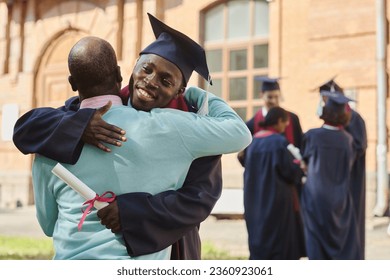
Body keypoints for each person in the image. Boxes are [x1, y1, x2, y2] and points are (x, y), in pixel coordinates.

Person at [13, 13, 227, 259]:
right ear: (129, 70)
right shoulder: (110, 105)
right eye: (146, 69)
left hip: (168, 238)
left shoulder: (191, 127)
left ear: (180, 89)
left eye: (165, 80)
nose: (150, 82)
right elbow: (30, 126)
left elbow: (199, 200)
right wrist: (80, 126)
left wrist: (131, 212)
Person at [300, 91, 361, 259]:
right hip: (340, 199)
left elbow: (303, 162)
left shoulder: (312, 136)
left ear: (325, 112)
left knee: (316, 243)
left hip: (316, 198)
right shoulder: (347, 140)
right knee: (341, 244)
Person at [243, 106, 305, 260]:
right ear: (278, 121)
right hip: (276, 202)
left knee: (260, 241)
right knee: (280, 245)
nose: (285, 127)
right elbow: (290, 172)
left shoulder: (253, 142)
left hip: (255, 203)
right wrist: (299, 167)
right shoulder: (278, 142)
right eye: (285, 123)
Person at [317, 78, 367, 259]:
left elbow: (358, 147)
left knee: (351, 220)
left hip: (349, 177)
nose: (322, 103)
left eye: (324, 98)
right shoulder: (331, 118)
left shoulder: (353, 118)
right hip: (332, 178)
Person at [238, 76, 303, 166]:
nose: (273, 101)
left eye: (276, 97)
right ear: (261, 95)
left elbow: (301, 146)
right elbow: (244, 157)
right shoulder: (251, 125)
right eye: (269, 97)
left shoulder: (292, 119)